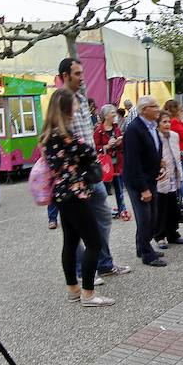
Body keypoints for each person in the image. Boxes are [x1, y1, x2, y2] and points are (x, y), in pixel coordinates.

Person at [58, 58, 131, 280]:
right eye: (77, 74)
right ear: (65, 76)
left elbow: (86, 137)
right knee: (76, 229)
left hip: (92, 172)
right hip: (74, 176)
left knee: (103, 218)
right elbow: (63, 139)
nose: (82, 78)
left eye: (82, 73)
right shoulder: (61, 100)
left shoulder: (81, 99)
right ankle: (81, 273)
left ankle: (103, 263)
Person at [42, 88, 114, 307]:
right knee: (93, 242)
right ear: (65, 107)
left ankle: (73, 288)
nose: (77, 107)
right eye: (74, 104)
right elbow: (90, 152)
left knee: (71, 242)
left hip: (62, 195)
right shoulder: (64, 136)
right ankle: (88, 294)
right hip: (76, 193)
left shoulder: (48, 135)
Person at [122, 95, 167, 267]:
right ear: (144, 110)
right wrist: (143, 189)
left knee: (152, 215)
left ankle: (142, 246)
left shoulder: (152, 126)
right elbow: (133, 161)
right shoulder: (134, 129)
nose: (157, 109)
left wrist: (159, 163)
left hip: (151, 178)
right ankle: (147, 254)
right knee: (145, 217)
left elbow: (152, 149)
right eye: (154, 106)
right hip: (138, 182)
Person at [153, 111, 183, 249]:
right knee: (161, 207)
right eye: (164, 122)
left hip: (174, 174)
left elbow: (177, 155)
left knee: (173, 206)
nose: (167, 124)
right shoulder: (155, 137)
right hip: (161, 175)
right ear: (158, 124)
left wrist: (179, 173)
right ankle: (160, 236)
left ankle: (173, 233)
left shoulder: (174, 136)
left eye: (168, 122)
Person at [93, 104, 129, 220]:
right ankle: (102, 211)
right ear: (106, 115)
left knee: (119, 188)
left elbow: (122, 146)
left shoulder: (116, 128)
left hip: (117, 163)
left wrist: (119, 143)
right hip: (105, 165)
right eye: (112, 113)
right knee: (103, 190)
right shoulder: (99, 131)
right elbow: (95, 147)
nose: (115, 115)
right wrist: (106, 146)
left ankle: (122, 209)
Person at [164, 100, 183, 203]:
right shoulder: (173, 122)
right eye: (180, 109)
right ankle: (181, 196)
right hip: (180, 153)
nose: (182, 111)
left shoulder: (178, 121)